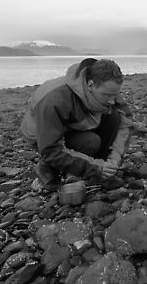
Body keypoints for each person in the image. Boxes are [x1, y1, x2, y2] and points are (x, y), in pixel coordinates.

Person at [21, 58, 132, 191]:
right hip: (41, 135)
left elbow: (126, 123)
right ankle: (47, 167)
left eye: (115, 95)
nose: (113, 100)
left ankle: (104, 172)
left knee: (114, 116)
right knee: (90, 142)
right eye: (107, 95)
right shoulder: (54, 101)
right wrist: (94, 167)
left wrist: (114, 158)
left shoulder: (108, 90)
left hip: (74, 123)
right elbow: (51, 150)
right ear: (90, 85)